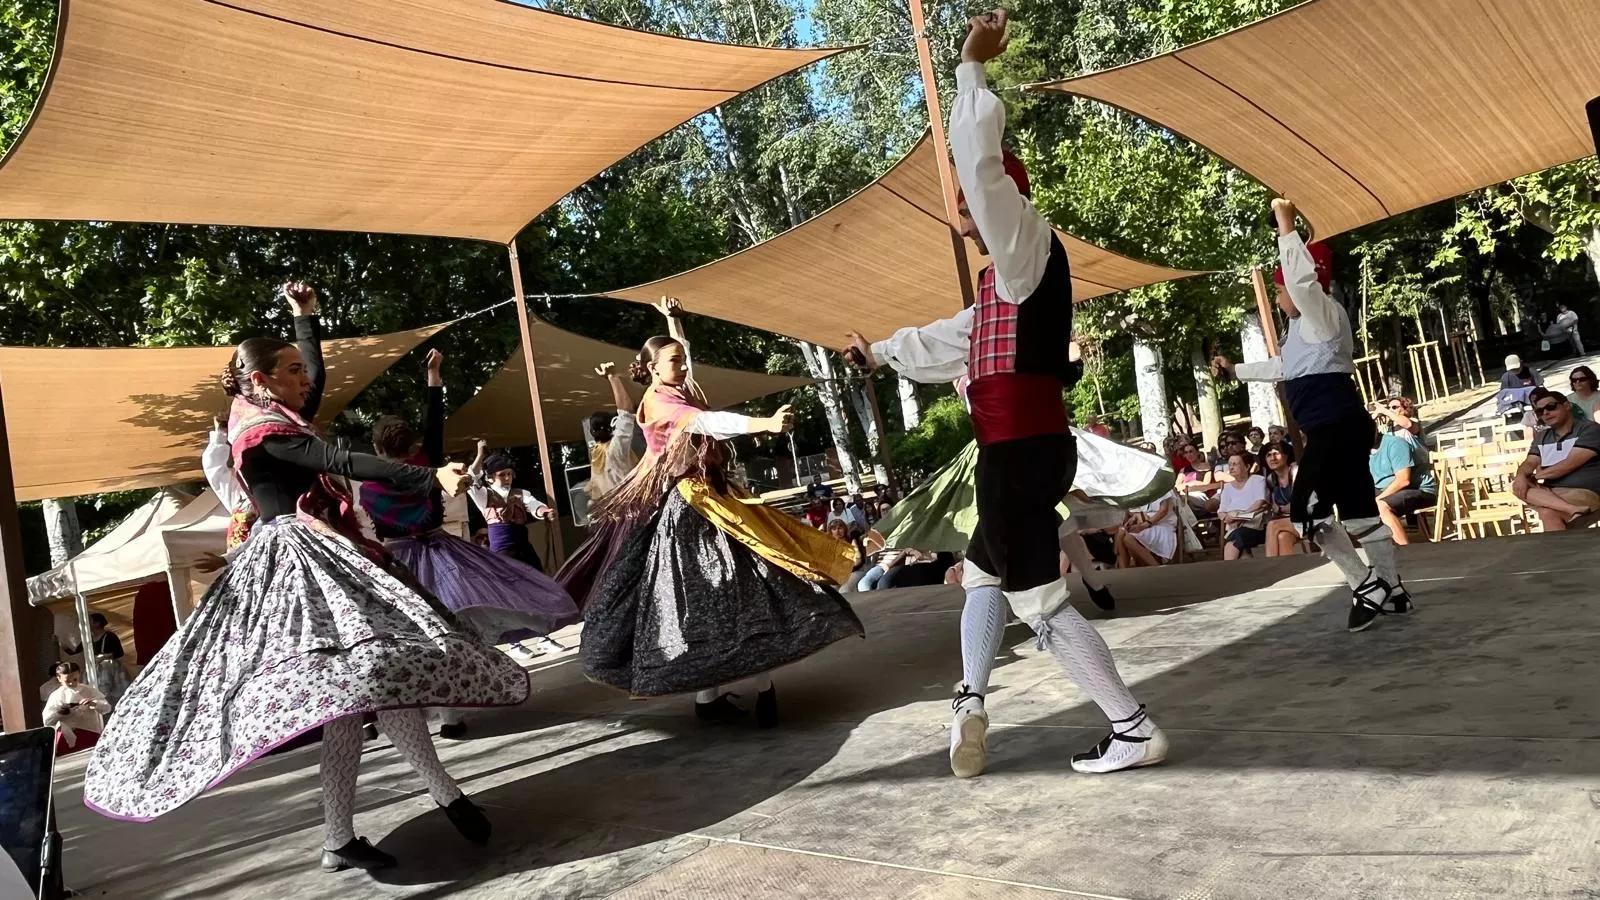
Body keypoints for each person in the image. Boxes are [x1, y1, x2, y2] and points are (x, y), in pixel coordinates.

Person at [83, 283, 528, 874]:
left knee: (373, 683)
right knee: (358, 690)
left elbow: (315, 386)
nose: (304, 382)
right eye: (290, 373)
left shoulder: (271, 414)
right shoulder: (262, 434)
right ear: (262, 380)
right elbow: (338, 462)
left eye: (299, 371)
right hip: (297, 565)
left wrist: (305, 321)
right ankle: (409, 810)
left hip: (321, 555)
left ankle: (380, 823)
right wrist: (424, 478)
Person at [848, 10, 1167, 779]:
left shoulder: (1026, 245)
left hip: (1021, 453)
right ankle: (969, 700)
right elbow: (943, 341)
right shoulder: (1002, 285)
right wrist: (878, 353)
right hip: (1017, 453)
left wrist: (969, 70)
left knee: (1041, 606)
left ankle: (1131, 726)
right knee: (985, 574)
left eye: (966, 205)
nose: (960, 214)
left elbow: (982, 172)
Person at [578, 329, 863, 729]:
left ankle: (721, 698)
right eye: (674, 361)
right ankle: (749, 693)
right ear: (653, 369)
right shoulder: (658, 403)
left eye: (682, 360)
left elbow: (696, 399)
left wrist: (674, 324)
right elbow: (708, 422)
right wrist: (764, 422)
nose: (683, 366)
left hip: (714, 500)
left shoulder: (675, 391)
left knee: (740, 595)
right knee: (729, 597)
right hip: (692, 511)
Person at [1214, 198, 1411, 633]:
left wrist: (1286, 224)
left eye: (1281, 288)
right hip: (1337, 427)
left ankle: (1364, 584)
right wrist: (1235, 371)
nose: (1281, 295)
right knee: (1359, 511)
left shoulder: (1321, 310)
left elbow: (1302, 279)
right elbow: (1282, 368)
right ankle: (1391, 586)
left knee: (1307, 513)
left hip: (1333, 428)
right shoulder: (1306, 329)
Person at [360, 349, 582, 735]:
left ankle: (442, 712)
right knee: (456, 627)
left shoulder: (372, 487)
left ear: (378, 450)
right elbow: (434, 426)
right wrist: (433, 377)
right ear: (412, 447)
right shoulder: (424, 465)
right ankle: (457, 707)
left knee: (418, 635)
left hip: (398, 563)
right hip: (442, 554)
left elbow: (429, 432)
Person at [1511, 388, 1600, 530]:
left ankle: (1558, 550)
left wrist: (1536, 476)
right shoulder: (1542, 436)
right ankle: (1572, 510)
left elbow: (1569, 464)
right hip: (1551, 491)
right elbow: (1529, 462)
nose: (1545, 413)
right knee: (1517, 486)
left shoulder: (1590, 429)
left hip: (1586, 491)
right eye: (1540, 411)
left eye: (1550, 407)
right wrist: (1521, 476)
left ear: (1567, 406)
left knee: (1547, 512)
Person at [466, 446, 557, 571]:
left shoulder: (521, 493)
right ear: (490, 478)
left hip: (525, 550)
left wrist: (544, 512)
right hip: (502, 552)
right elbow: (470, 479)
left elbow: (533, 504)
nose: (507, 478)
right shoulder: (484, 496)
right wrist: (480, 456)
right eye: (502, 475)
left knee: (538, 579)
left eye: (509, 474)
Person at [1370, 420, 1437, 546]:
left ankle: (1405, 552)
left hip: (1417, 489)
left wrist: (1377, 498)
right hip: (1384, 489)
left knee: (1381, 505)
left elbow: (1403, 480)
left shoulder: (1395, 444)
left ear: (1375, 429)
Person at [585, 362, 641, 503]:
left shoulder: (595, 457)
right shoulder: (615, 450)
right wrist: (612, 377)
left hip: (612, 518)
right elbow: (626, 413)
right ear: (612, 424)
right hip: (633, 512)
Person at [43, 662, 111, 756]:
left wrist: (93, 703)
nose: (71, 683)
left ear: (79, 675)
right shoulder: (56, 696)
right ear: (59, 678)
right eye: (67, 681)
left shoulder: (88, 690)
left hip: (89, 732)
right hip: (67, 736)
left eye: (75, 679)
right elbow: (47, 720)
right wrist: (60, 713)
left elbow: (107, 708)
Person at [1211, 452, 1269, 559]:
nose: (1231, 468)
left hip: (1255, 527)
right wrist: (1226, 517)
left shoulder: (1257, 480)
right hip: (1234, 528)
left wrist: (1239, 516)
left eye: (1235, 464)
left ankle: (1228, 569)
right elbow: (1221, 511)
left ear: (1247, 467)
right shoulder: (1227, 487)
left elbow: (1260, 502)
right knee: (1239, 544)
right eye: (1230, 465)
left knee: (1236, 537)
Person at [1262, 441, 1303, 557]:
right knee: (1282, 537)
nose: (1272, 458)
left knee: (1272, 525)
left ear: (1285, 456)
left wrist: (1285, 508)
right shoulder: (1271, 479)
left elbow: (1299, 503)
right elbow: (1276, 507)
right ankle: (1287, 572)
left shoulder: (1295, 471)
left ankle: (1269, 567)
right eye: (1268, 455)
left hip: (1305, 520)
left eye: (1276, 453)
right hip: (1287, 523)